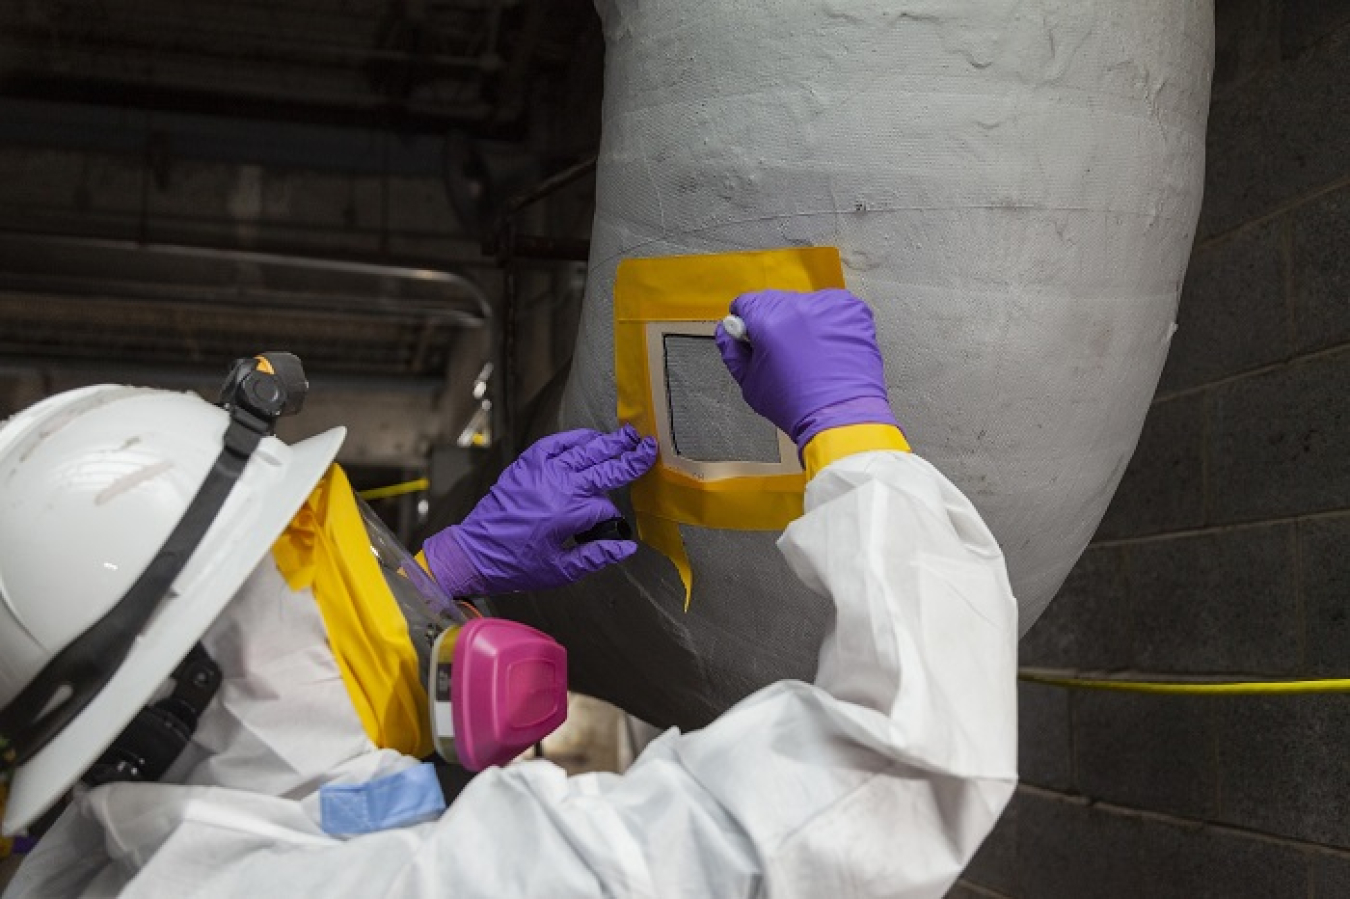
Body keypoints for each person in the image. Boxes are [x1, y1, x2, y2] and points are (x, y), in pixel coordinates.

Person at [0, 288, 1017, 898]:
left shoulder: (124, 852)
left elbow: (281, 692)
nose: (382, 583)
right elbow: (902, 767)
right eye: (316, 573)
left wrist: (450, 568)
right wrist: (855, 440)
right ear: (192, 674)